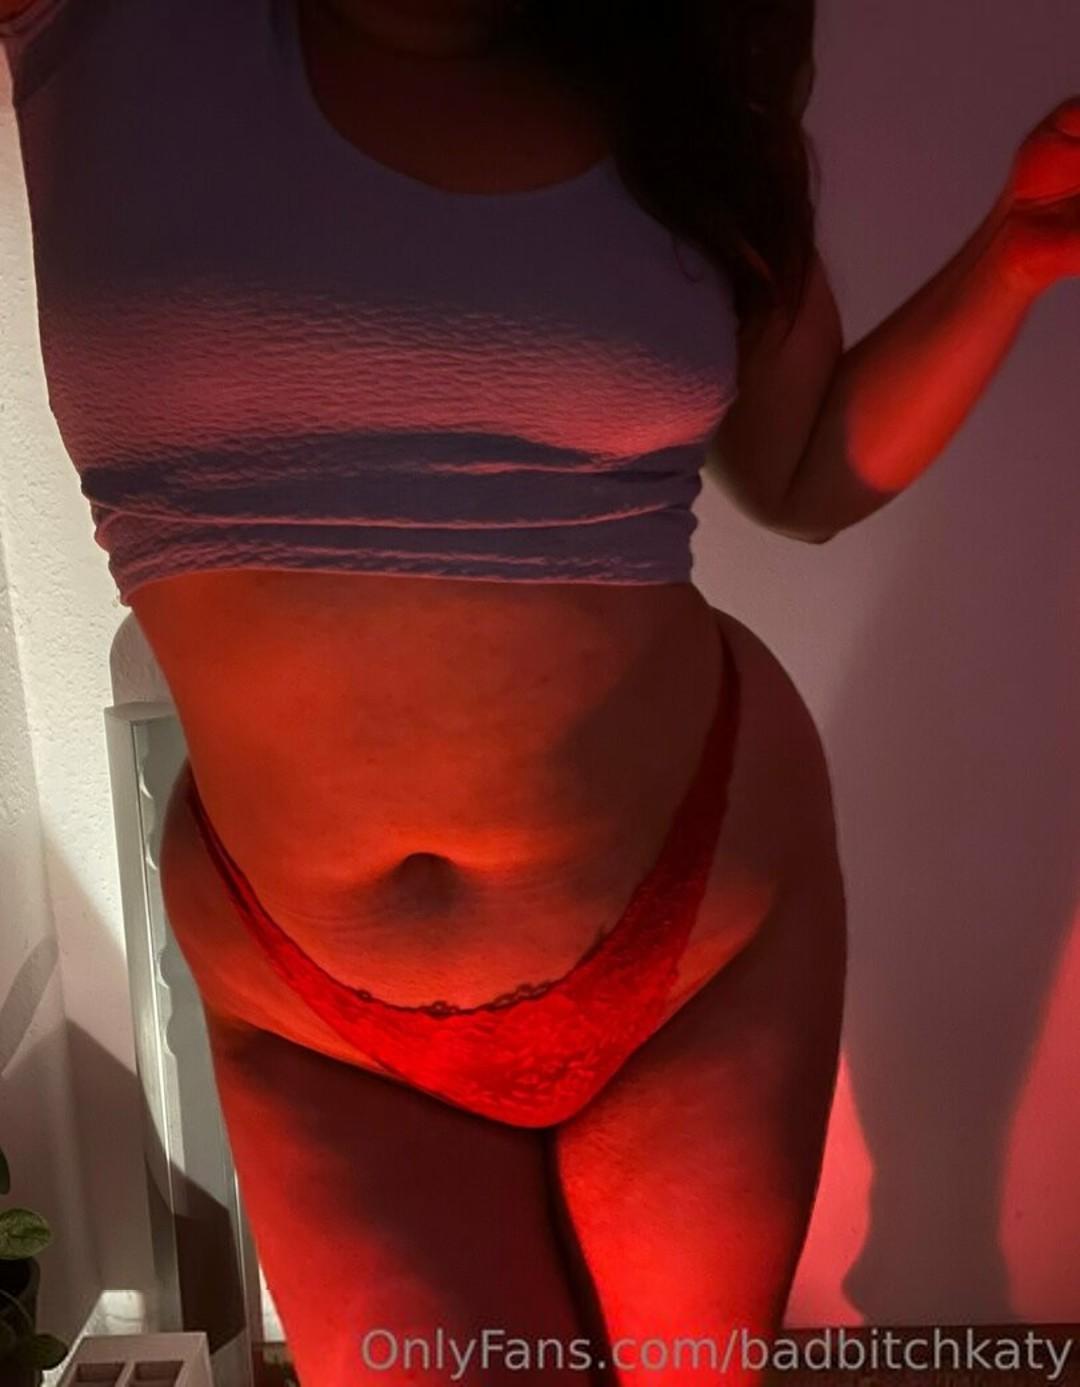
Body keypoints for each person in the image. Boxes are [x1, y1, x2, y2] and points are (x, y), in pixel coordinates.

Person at [1, 0, 1074, 1381]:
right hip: (314, 1012)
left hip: (697, 930)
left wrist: (1012, 255)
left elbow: (806, 469)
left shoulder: (687, 82)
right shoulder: (102, 27)